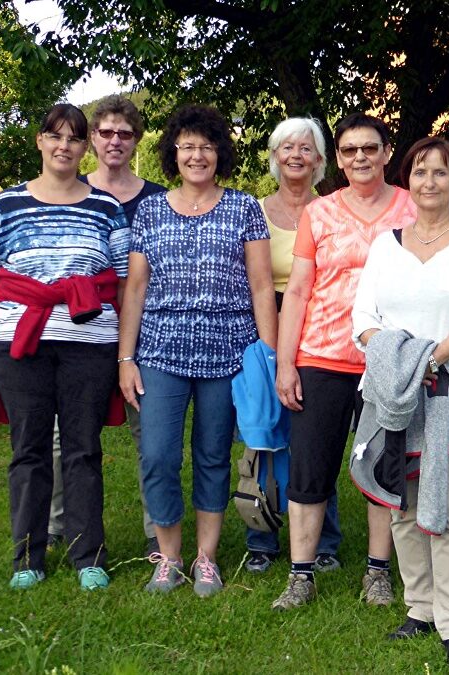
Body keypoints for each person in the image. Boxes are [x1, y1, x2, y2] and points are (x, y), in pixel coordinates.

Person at [0, 103, 127, 591]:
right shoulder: (5, 206)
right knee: (29, 449)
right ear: (39, 142)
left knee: (82, 448)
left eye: (74, 139)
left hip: (88, 345)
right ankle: (28, 558)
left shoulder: (106, 208)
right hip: (18, 342)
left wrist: (123, 354)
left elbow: (119, 284)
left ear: (85, 147)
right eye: (55, 137)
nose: (64, 146)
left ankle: (88, 555)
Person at [352, 137, 449, 669]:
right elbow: (363, 320)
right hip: (392, 398)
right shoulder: (384, 245)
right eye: (420, 173)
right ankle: (419, 609)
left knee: (448, 510)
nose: (429, 182)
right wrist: (401, 363)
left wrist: (425, 361)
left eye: (441, 173)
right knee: (402, 507)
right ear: (408, 181)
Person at [117, 104, 278, 597]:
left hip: (227, 355)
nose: (197, 155)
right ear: (173, 153)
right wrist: (125, 358)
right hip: (160, 355)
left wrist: (266, 358)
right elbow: (137, 288)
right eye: (187, 146)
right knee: (157, 456)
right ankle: (168, 557)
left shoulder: (245, 208)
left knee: (212, 456)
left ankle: (206, 559)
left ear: (220, 153)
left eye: (207, 146)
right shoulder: (149, 210)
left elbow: (259, 286)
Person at [271, 113, 416, 611]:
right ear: (339, 156)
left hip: (387, 360)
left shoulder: (411, 207)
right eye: (350, 150)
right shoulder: (321, 212)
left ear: (385, 153)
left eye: (369, 149)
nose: (360, 158)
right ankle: (300, 574)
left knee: (381, 470)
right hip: (322, 357)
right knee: (309, 470)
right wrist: (285, 364)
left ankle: (377, 572)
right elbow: (297, 290)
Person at [46, 95, 166, 556]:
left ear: (136, 141)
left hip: (146, 333)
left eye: (125, 133)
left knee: (150, 436)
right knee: (67, 435)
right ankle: (57, 526)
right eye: (106, 132)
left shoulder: (157, 199)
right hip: (83, 332)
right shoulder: (71, 192)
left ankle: (158, 532)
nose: (115, 141)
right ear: (92, 138)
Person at [244, 116, 344, 574]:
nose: (296, 155)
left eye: (306, 148)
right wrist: (272, 350)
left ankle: (324, 543)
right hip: (265, 325)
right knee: (264, 433)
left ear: (320, 160)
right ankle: (260, 536)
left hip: (321, 328)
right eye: (287, 147)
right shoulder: (254, 210)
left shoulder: (333, 211)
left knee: (315, 435)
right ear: (274, 156)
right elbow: (257, 283)